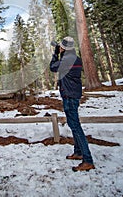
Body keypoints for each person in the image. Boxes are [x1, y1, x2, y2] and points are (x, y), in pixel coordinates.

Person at [50, 36, 95, 172]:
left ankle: (87, 160)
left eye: (62, 46)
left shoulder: (66, 60)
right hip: (73, 95)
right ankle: (78, 152)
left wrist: (55, 53)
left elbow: (53, 67)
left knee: (75, 127)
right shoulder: (76, 58)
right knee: (74, 124)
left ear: (64, 48)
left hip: (69, 96)